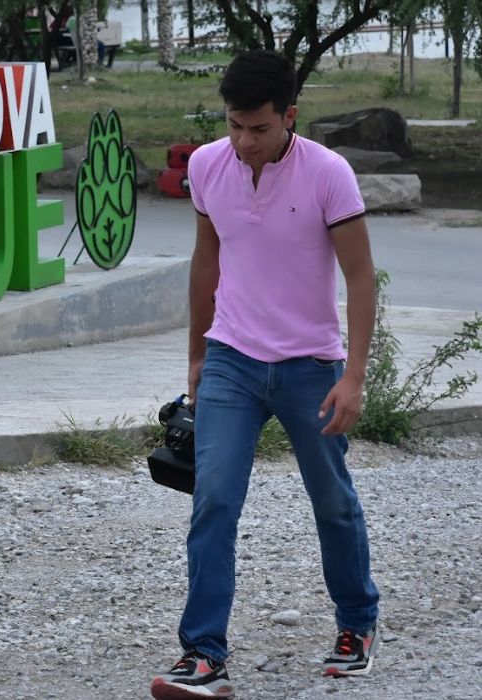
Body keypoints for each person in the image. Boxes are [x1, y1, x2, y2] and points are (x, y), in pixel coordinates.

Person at [149, 49, 381, 699]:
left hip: (311, 365)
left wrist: (354, 376)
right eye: (234, 126)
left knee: (332, 501)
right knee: (214, 500)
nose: (244, 142)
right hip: (231, 360)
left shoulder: (329, 174)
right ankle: (202, 658)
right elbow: (205, 264)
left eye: (259, 128)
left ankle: (357, 624)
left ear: (290, 117)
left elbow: (361, 279)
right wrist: (196, 355)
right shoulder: (206, 166)